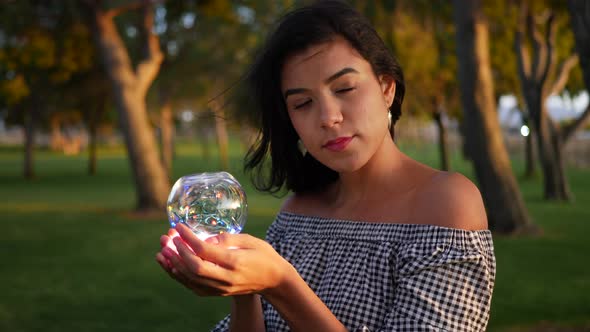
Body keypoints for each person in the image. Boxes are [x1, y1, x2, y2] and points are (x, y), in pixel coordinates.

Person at [155, 1, 496, 331]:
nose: (329, 118)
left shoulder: (446, 204)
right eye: (303, 103)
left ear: (387, 88)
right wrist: (245, 291)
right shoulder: (297, 214)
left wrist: (281, 284)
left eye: (345, 88)